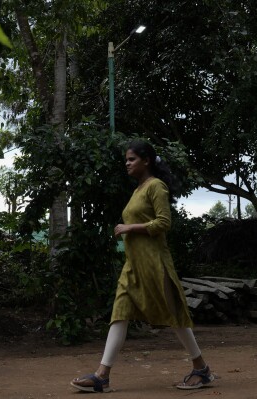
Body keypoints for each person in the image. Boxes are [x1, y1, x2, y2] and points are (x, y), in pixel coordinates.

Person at [70, 139, 214, 393]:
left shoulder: (156, 187)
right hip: (133, 265)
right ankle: (102, 375)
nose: (127, 163)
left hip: (154, 264)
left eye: (131, 159)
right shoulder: (138, 190)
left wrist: (130, 228)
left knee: (175, 314)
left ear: (146, 160)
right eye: (126, 159)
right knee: (120, 313)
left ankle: (201, 369)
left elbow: (163, 223)